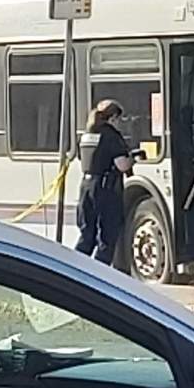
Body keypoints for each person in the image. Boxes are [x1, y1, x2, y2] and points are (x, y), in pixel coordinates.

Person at [75, 99, 140, 265]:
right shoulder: (111, 136)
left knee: (87, 235)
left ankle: (76, 268)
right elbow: (122, 164)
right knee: (107, 236)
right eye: (119, 119)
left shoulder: (86, 135)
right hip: (106, 190)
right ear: (112, 118)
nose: (120, 123)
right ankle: (99, 272)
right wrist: (133, 159)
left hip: (86, 188)